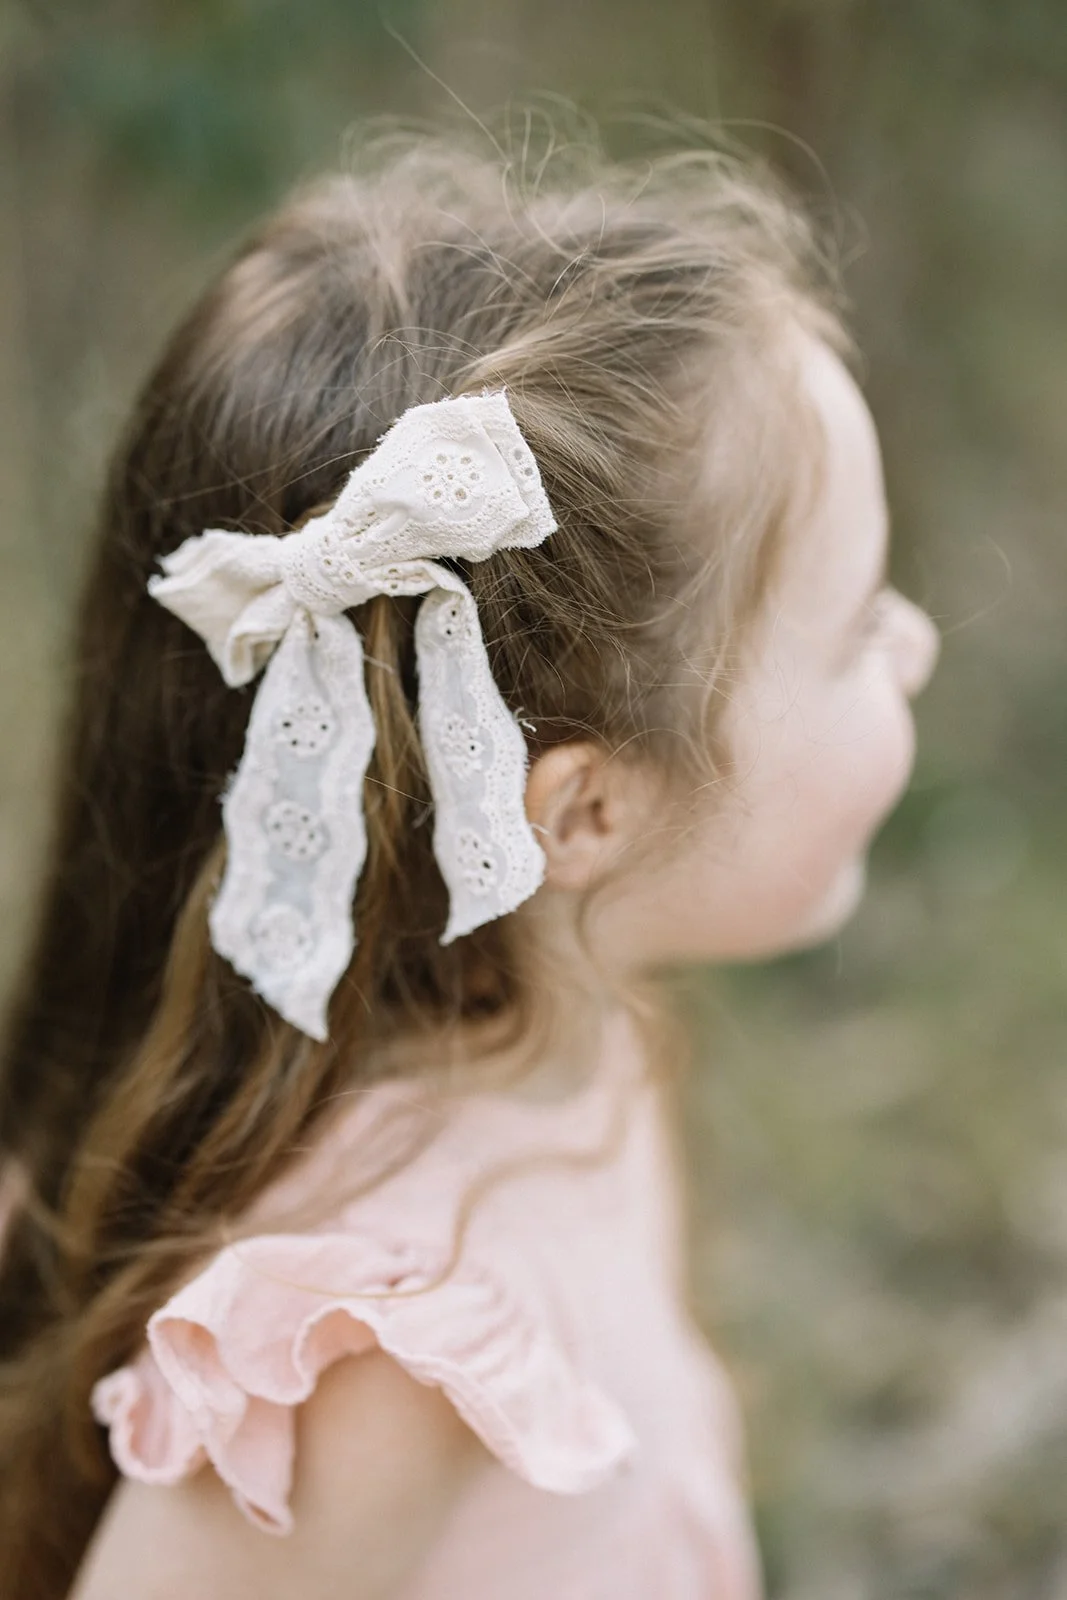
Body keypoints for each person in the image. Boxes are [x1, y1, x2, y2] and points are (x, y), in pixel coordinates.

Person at [0, 131, 938, 1600]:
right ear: (574, 818)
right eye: (859, 622)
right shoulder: (381, 1349)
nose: (918, 644)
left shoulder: (576, 1033)